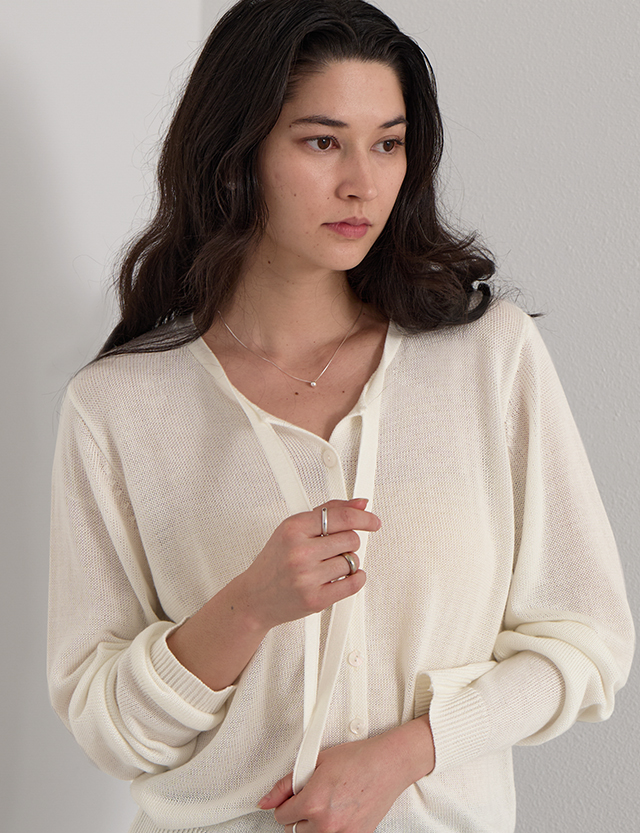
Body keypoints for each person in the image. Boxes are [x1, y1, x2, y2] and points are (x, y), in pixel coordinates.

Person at [47, 1, 634, 831]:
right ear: (233, 156)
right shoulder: (118, 406)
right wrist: (247, 607)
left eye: (387, 143)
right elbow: (108, 727)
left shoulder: (487, 357)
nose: (363, 182)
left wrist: (407, 753)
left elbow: (586, 641)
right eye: (322, 142)